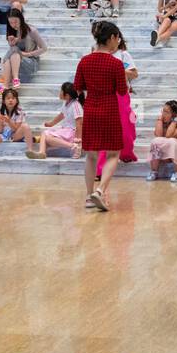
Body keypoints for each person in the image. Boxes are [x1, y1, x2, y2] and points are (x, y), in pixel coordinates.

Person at [73, 20, 129, 212]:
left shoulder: (84, 61)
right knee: (114, 153)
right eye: (117, 38)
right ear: (112, 38)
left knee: (91, 155)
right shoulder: (116, 63)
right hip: (109, 109)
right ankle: (101, 189)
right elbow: (122, 91)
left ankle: (89, 196)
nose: (118, 42)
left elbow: (78, 87)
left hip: (90, 109)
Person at [28, 82, 83, 159]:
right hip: (65, 130)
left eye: (61, 91)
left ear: (67, 95)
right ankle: (42, 153)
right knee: (44, 133)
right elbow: (62, 115)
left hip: (71, 132)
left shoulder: (75, 105)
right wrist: (51, 124)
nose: (60, 92)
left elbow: (79, 123)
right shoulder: (66, 103)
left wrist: (79, 140)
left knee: (47, 137)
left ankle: (73, 146)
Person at [0, 10, 46, 89]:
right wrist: (11, 43)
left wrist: (28, 54)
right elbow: (14, 50)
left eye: (16, 22)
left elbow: (44, 48)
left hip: (31, 62)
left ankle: (5, 84)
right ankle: (14, 80)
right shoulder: (12, 31)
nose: (14, 25)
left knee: (12, 53)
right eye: (11, 22)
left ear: (21, 19)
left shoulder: (31, 31)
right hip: (17, 63)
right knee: (13, 50)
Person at [147, 100, 177, 182]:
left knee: (172, 141)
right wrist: (159, 120)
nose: (163, 114)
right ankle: (154, 172)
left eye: (166, 112)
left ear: (175, 114)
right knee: (155, 141)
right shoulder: (162, 121)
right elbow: (158, 135)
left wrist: (174, 122)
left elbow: (168, 135)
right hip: (167, 155)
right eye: (163, 111)